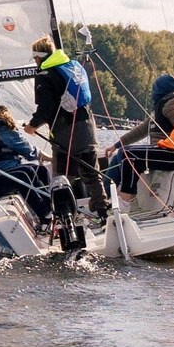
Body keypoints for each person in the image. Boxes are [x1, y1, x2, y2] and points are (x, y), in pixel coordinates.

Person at [27, 35, 105, 221]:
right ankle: (103, 213)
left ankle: (63, 220)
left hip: (65, 134)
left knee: (62, 179)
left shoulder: (45, 75)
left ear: (38, 57)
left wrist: (32, 125)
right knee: (92, 175)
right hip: (88, 130)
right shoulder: (72, 67)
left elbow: (45, 109)